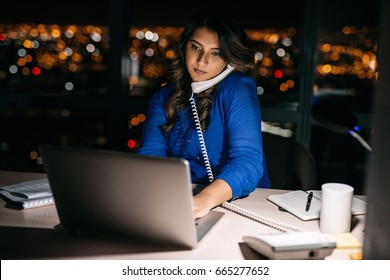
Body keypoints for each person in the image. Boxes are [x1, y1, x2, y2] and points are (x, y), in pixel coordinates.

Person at [137, 14, 270, 219]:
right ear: (184, 48)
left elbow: (248, 161)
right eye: (195, 47)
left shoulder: (238, 88)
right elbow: (150, 156)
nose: (202, 60)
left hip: (241, 204)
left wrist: (203, 200)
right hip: (181, 201)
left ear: (229, 60)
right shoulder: (163, 97)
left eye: (216, 53)